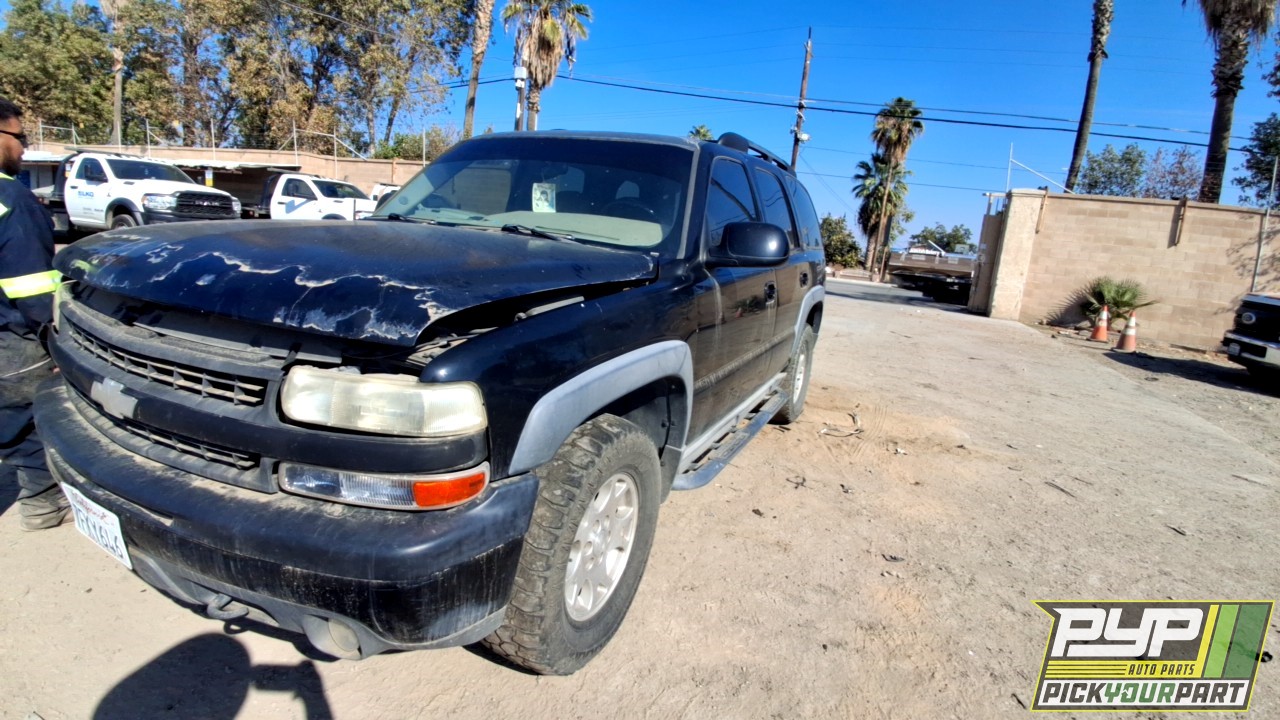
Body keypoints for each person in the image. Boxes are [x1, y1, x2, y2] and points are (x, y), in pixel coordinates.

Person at [0, 96, 64, 530]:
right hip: (11, 337)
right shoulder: (12, 200)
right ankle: (43, 502)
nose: (24, 148)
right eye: (20, 137)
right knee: (26, 417)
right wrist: (57, 333)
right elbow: (32, 284)